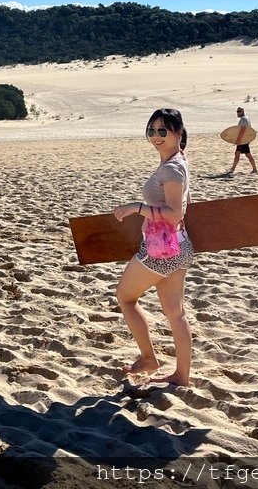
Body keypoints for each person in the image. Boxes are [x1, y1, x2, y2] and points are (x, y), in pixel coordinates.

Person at [111, 108, 194, 386]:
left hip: (161, 251)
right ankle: (181, 376)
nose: (156, 136)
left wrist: (137, 208)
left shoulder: (172, 168)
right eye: (151, 130)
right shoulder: (178, 161)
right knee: (175, 313)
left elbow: (174, 213)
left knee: (125, 296)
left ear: (178, 133)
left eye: (163, 131)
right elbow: (185, 203)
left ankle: (148, 357)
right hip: (178, 247)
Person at [227, 106, 258, 175]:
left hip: (243, 140)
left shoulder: (244, 120)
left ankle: (255, 169)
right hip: (244, 140)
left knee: (248, 155)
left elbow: (242, 131)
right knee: (237, 154)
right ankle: (232, 169)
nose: (238, 113)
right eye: (237, 111)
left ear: (242, 112)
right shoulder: (246, 118)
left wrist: (238, 140)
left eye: (239, 111)